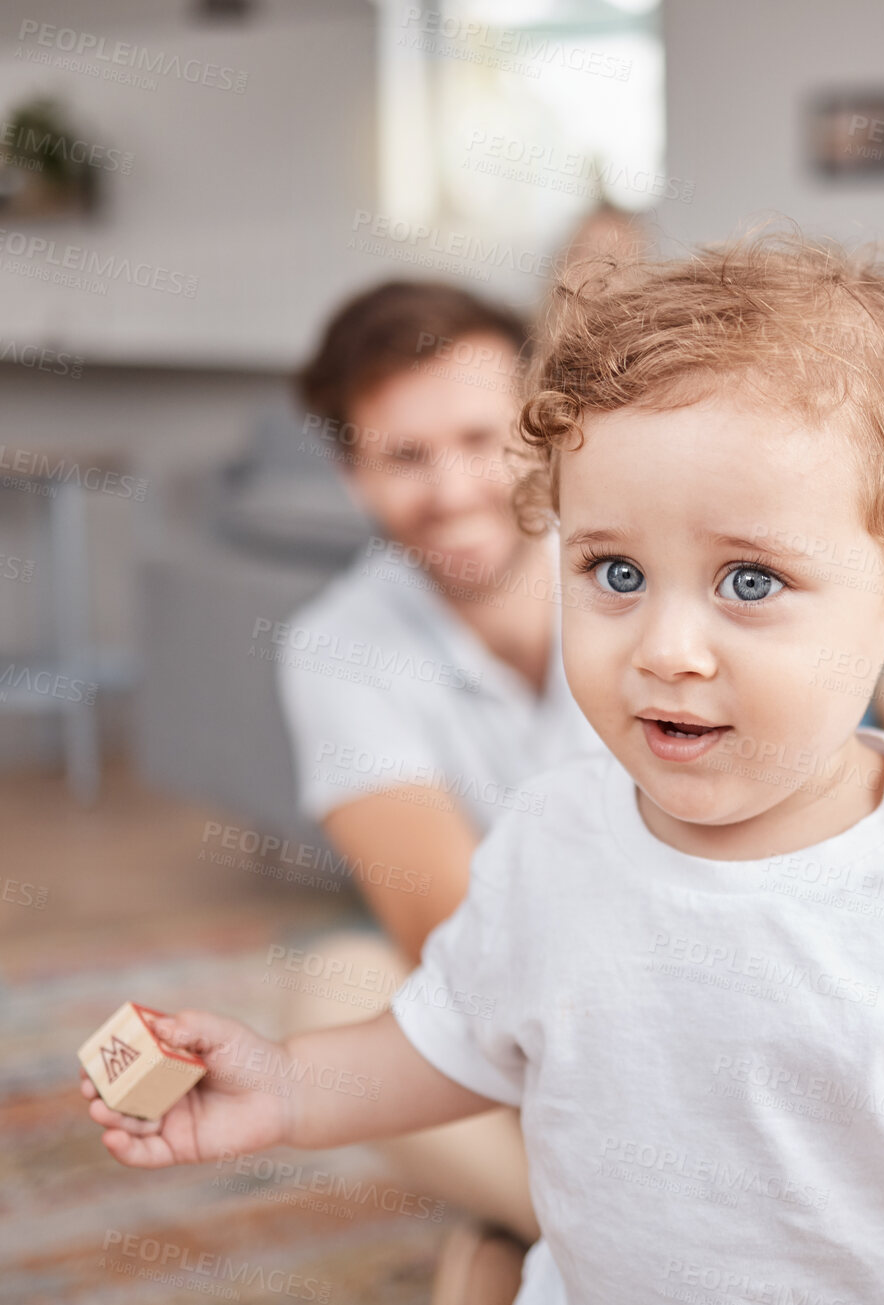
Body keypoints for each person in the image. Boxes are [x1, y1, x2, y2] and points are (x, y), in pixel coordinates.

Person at [84, 231, 884, 1304]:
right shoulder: (549, 834)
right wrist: (291, 1083)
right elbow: (453, 1036)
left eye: (749, 579)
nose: (664, 645)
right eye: (612, 571)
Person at [279, 280, 609, 1302]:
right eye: (404, 457)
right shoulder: (334, 647)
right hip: (520, 1002)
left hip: (702, 963)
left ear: (540, 430)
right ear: (349, 474)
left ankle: (533, 1247)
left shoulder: (636, 569)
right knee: (336, 994)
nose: (454, 488)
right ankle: (608, 1240)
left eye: (479, 438)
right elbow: (444, 926)